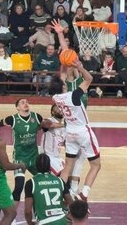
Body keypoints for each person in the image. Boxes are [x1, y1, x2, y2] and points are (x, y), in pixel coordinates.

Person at [49, 19, 101, 202]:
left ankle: (61, 193)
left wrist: (60, 34)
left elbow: (66, 55)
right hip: (81, 128)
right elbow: (85, 76)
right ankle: (79, 192)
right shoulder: (75, 89)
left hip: (69, 129)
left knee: (71, 163)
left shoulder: (56, 97)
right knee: (88, 163)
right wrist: (80, 66)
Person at [0, 99, 44, 213]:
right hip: (20, 158)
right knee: (19, 186)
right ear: (17, 108)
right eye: (22, 102)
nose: (26, 103)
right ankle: (11, 214)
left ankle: (42, 210)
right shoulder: (12, 119)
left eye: (27, 102)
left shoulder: (37, 117)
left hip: (34, 157)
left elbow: (45, 127)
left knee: (43, 183)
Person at [24, 153, 73, 225]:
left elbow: (28, 211)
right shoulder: (60, 180)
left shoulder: (31, 183)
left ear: (36, 166)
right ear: (49, 166)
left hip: (45, 222)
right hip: (63, 220)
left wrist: (30, 223)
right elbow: (71, 203)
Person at [40, 105, 66, 176]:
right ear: (53, 112)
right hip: (47, 157)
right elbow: (45, 124)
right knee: (62, 176)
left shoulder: (65, 127)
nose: (60, 109)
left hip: (57, 157)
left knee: (70, 175)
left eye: (61, 108)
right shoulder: (50, 120)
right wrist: (65, 125)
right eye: (57, 108)